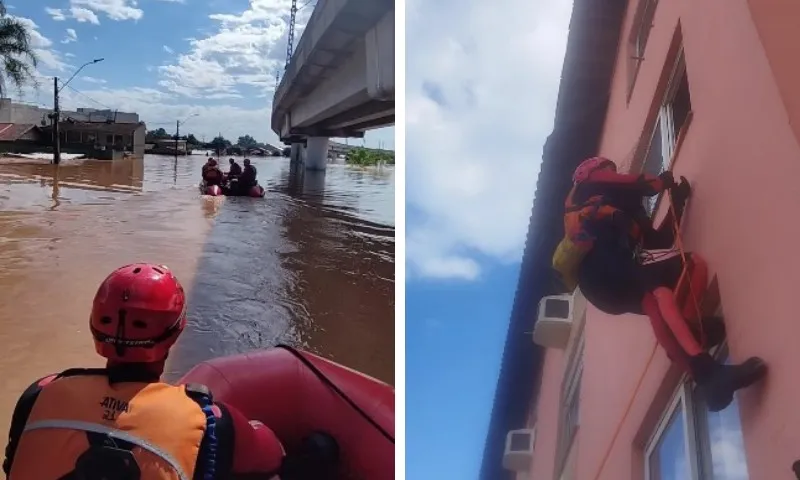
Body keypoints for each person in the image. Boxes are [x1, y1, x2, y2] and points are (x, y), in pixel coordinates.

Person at [1, 264, 293, 479]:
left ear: (94, 328)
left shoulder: (40, 393)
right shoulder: (210, 420)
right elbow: (272, 456)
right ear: (177, 332)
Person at [553, 156, 766, 412]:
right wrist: (662, 181)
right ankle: (705, 366)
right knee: (659, 288)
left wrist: (678, 200)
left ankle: (702, 364)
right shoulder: (589, 184)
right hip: (601, 269)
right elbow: (645, 184)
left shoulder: (632, 215)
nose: (615, 174)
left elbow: (660, 241)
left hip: (612, 283)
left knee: (681, 275)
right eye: (610, 170)